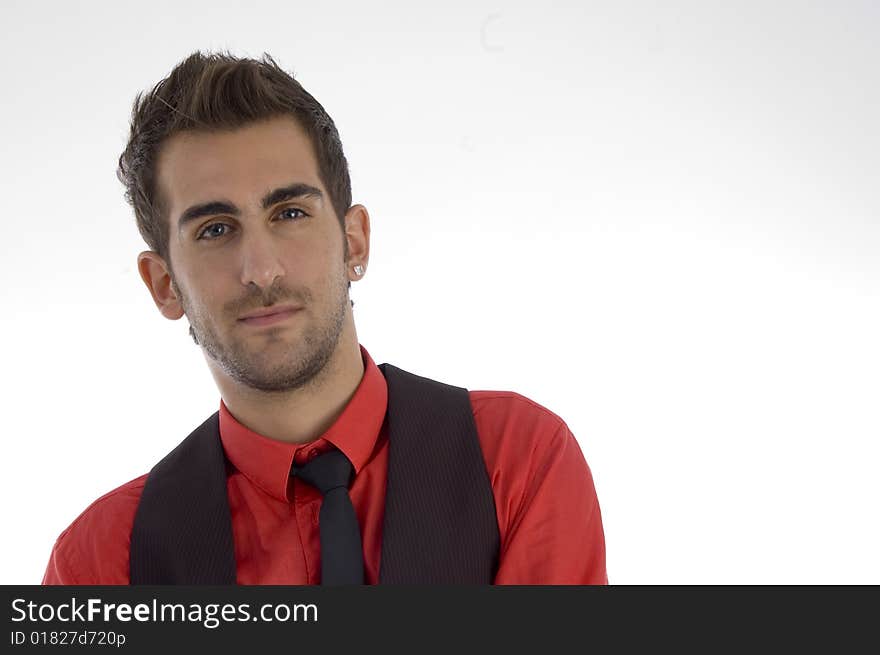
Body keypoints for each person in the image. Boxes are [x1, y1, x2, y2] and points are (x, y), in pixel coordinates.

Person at [41, 50, 607, 585]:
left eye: (289, 213)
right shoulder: (102, 561)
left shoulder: (514, 459)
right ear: (164, 285)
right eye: (215, 229)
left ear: (354, 240)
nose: (261, 270)